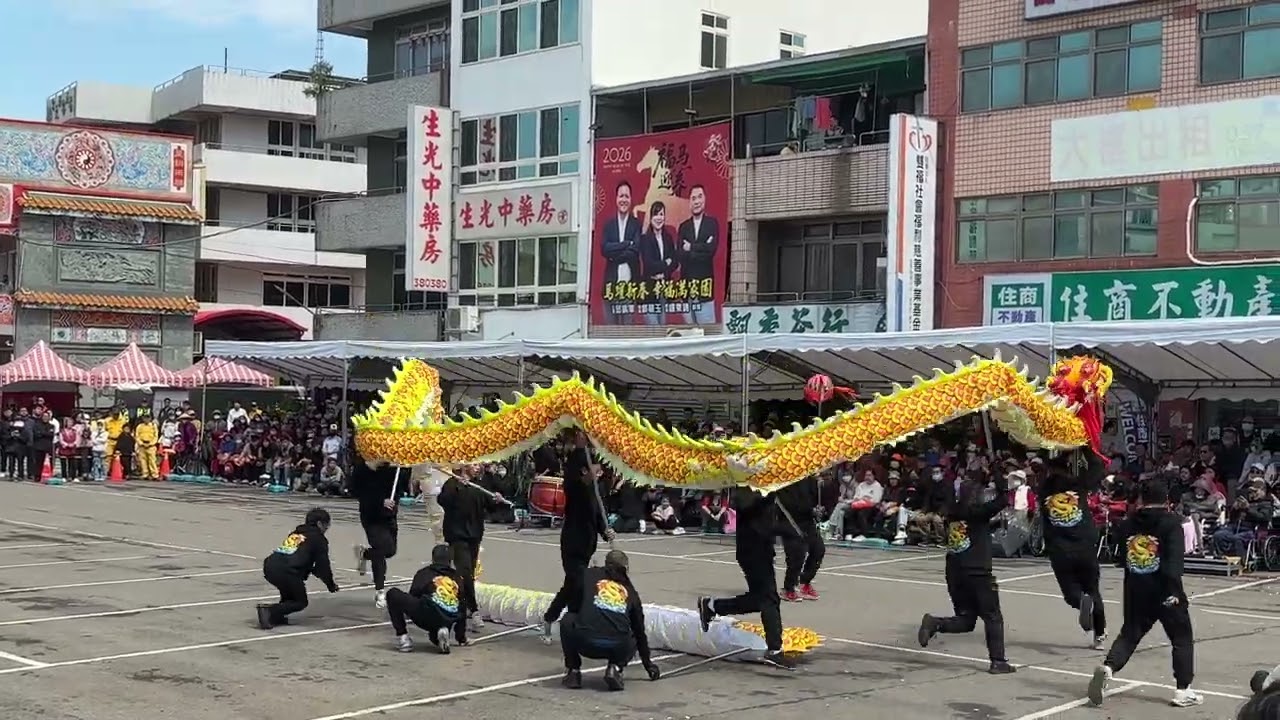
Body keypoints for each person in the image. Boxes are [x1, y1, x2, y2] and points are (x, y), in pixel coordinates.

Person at [1088, 479, 1201, 708]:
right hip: (1165, 589)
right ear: (1166, 500)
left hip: (1136, 587)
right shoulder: (1171, 523)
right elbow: (1174, 564)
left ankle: (1109, 667)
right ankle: (1183, 690)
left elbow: (1120, 558)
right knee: (1181, 639)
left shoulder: (1128, 524)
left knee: (1130, 634)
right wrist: (1173, 591)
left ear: (1142, 499)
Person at [918, 469, 1015, 674]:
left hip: (955, 572)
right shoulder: (978, 512)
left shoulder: (952, 512)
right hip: (978, 572)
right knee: (992, 616)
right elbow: (1004, 498)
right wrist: (997, 476)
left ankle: (935, 623)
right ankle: (998, 661)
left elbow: (976, 526)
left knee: (967, 619)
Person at [698, 487, 794, 669]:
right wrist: (767, 494)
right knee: (769, 599)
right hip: (751, 549)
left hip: (762, 548)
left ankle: (712, 606)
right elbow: (747, 505)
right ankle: (774, 650)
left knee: (762, 600)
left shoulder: (766, 489)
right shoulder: (747, 487)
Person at [543, 430, 616, 641]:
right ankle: (574, 625)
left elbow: (597, 512)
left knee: (571, 585)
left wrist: (606, 531)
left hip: (588, 543)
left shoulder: (594, 491)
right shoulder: (575, 484)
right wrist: (581, 448)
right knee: (578, 583)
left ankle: (551, 617)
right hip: (573, 542)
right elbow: (573, 481)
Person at [560, 549, 660, 690]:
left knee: (568, 620)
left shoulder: (588, 575)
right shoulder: (630, 592)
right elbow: (640, 633)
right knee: (634, 632)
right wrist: (648, 664)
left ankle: (573, 671)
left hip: (585, 641)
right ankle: (615, 667)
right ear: (625, 569)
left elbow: (573, 604)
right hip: (616, 647)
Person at [1039, 451, 1108, 648]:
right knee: (1093, 590)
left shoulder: (1044, 490)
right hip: (1085, 546)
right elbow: (1098, 468)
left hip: (1061, 551)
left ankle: (1082, 601)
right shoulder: (1079, 485)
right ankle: (1100, 635)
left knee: (1072, 594)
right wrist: (1085, 445)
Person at [438, 464, 503, 632]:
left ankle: (461, 605)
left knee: (468, 575)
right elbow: (443, 501)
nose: (477, 468)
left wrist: (496, 499)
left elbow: (490, 506)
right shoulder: (452, 484)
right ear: (465, 466)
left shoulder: (479, 486)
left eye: (478, 465)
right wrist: (459, 485)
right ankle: (474, 611)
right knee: (465, 572)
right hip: (457, 536)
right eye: (474, 464)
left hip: (474, 536)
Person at [257, 507, 339, 629]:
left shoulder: (296, 534)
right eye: (326, 525)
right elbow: (323, 566)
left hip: (271, 566)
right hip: (287, 571)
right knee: (300, 602)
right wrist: (330, 585)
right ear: (319, 523)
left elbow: (293, 554)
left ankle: (277, 617)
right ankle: (269, 611)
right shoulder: (319, 539)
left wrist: (311, 570)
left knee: (289, 595)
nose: (327, 529)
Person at [386, 544, 467, 654]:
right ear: (450, 560)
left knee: (393, 594)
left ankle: (403, 638)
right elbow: (462, 606)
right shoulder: (457, 578)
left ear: (433, 558)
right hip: (448, 618)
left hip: (426, 614)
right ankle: (442, 631)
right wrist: (461, 637)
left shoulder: (424, 573)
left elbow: (414, 594)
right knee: (435, 633)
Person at [351, 457, 400, 609]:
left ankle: (365, 554)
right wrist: (380, 501)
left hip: (389, 516)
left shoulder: (390, 469)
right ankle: (380, 590)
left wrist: (403, 467)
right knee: (380, 551)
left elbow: (399, 486)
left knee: (390, 551)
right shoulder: (361, 471)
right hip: (371, 517)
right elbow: (356, 493)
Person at [776, 476, 825, 602]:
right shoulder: (785, 479)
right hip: (789, 521)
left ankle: (804, 582)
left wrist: (818, 485)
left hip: (807, 520)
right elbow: (789, 503)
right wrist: (810, 510)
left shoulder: (809, 478)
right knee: (797, 555)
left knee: (818, 549)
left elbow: (814, 499)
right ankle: (789, 588)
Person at [600, 180, 642, 325]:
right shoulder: (609, 225)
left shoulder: (636, 224)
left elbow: (634, 251)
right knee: (611, 335)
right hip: (611, 286)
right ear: (616, 199)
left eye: (626, 196)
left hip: (629, 288)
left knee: (627, 333)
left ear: (630, 200)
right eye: (621, 196)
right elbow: (604, 249)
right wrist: (625, 244)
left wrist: (614, 254)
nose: (623, 199)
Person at [677, 183, 720, 325]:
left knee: (707, 336)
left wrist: (691, 247)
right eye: (693, 198)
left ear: (705, 199)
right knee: (689, 337)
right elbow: (680, 255)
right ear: (689, 202)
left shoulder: (712, 224)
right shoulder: (684, 227)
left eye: (699, 197)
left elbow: (711, 252)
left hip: (704, 290)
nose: (696, 201)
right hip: (687, 291)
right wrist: (701, 248)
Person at [638, 201, 678, 326]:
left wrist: (663, 271)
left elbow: (675, 262)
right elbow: (649, 265)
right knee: (653, 329)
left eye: (661, 214)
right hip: (649, 289)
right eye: (656, 214)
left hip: (664, 288)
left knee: (663, 327)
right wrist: (666, 262)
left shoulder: (668, 237)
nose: (659, 218)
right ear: (650, 218)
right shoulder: (645, 239)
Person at [135, 412, 160, 481]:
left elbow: (156, 436)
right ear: (142, 419)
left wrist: (151, 443)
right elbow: (137, 436)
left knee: (152, 460)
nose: (146, 419)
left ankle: (154, 474)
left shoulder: (153, 426)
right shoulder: (139, 426)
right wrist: (141, 443)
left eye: (148, 418)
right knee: (143, 460)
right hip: (142, 445)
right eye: (145, 418)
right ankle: (145, 474)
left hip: (151, 445)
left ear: (150, 419)